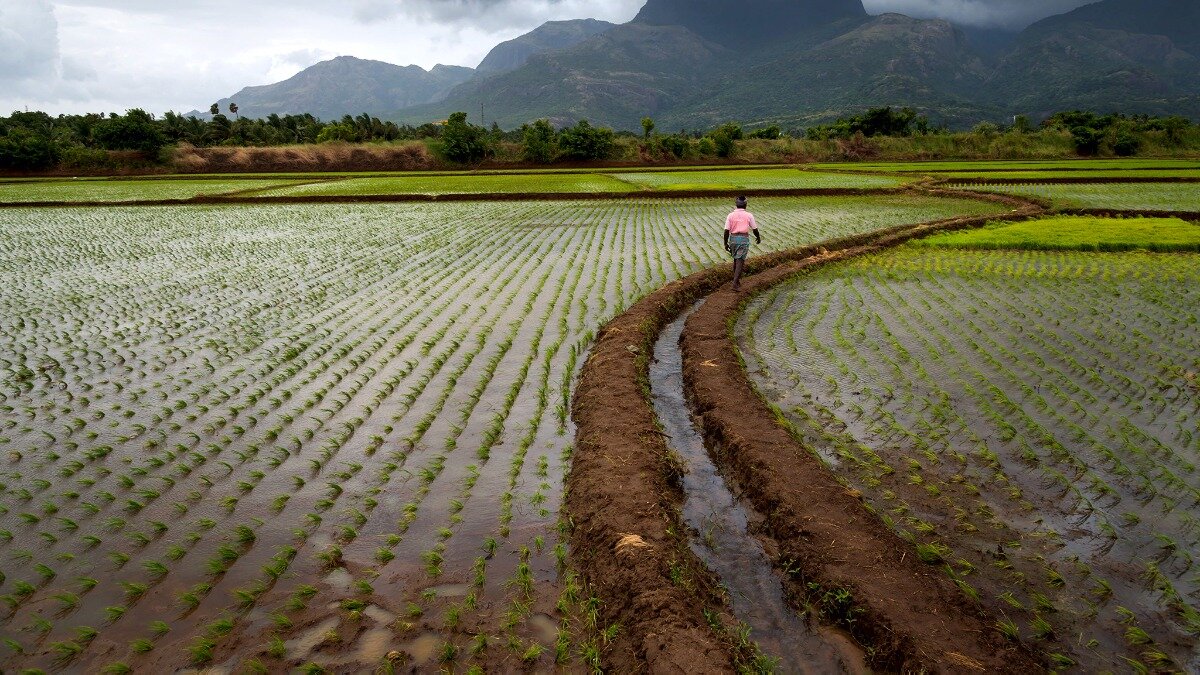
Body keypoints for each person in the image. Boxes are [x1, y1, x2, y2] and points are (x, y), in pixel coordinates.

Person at [723, 195, 761, 291]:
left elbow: (726, 230)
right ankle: (735, 283)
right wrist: (758, 237)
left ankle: (737, 281)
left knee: (736, 259)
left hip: (733, 239)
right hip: (743, 239)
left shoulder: (730, 215)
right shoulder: (749, 215)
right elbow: (754, 229)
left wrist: (725, 243)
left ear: (736, 204)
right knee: (740, 261)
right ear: (746, 205)